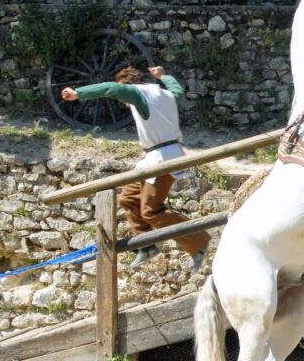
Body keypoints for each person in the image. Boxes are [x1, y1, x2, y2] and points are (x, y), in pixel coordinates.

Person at [61, 66, 210, 273]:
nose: (124, 102)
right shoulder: (164, 93)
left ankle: (199, 240)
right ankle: (146, 246)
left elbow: (111, 88)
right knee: (128, 198)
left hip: (164, 158)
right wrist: (163, 76)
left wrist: (78, 94)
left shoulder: (137, 92)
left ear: (128, 86)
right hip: (153, 157)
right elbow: (178, 90)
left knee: (151, 211)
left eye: (125, 94)